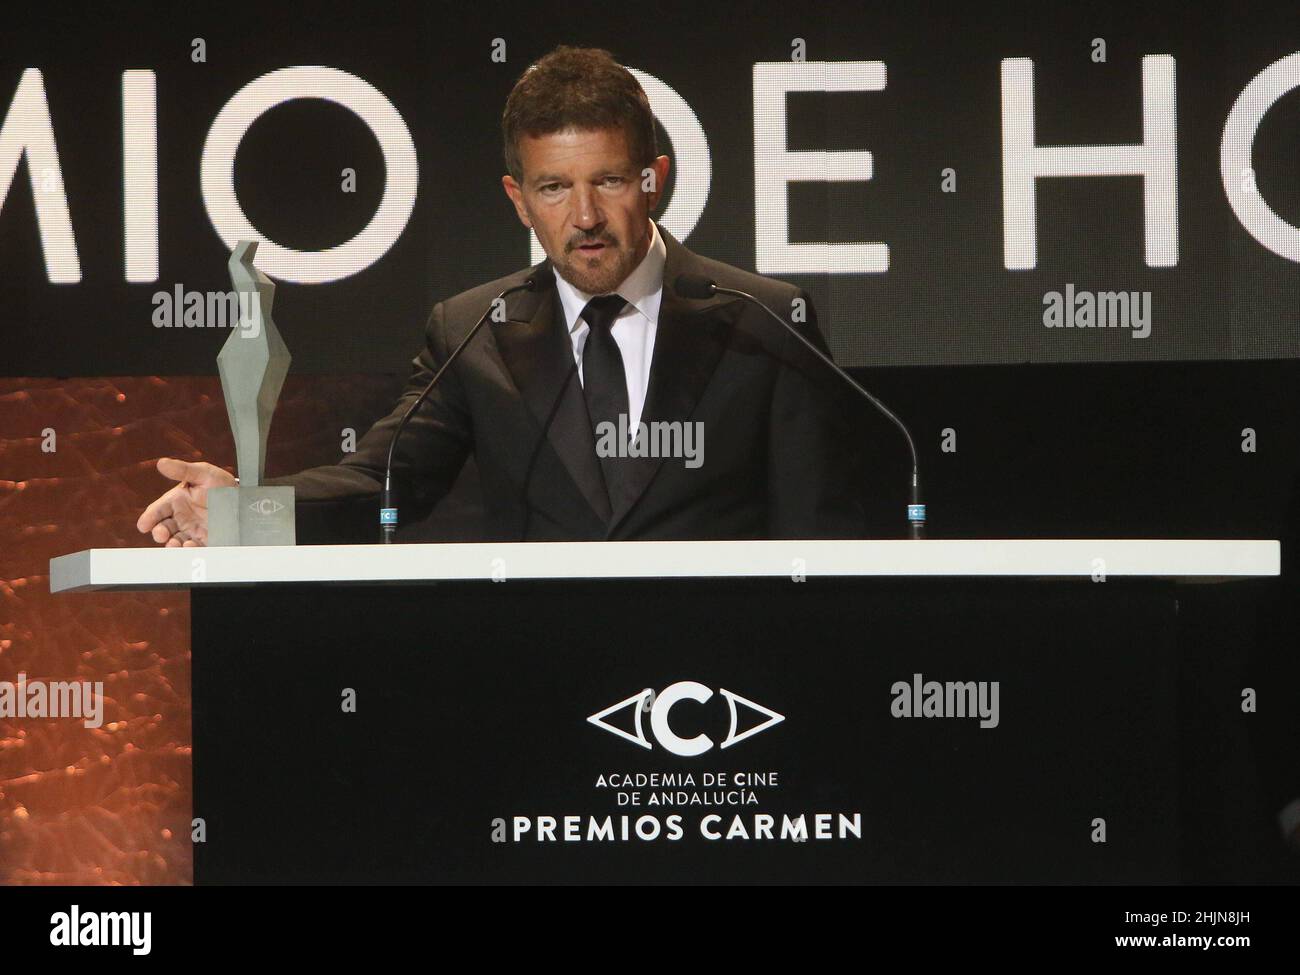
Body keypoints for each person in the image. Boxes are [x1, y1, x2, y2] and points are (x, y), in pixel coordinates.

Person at [137, 45, 867, 547]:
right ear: (519, 199)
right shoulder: (473, 328)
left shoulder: (766, 319)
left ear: (655, 179)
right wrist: (246, 511)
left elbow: (825, 538)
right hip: (540, 689)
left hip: (728, 707)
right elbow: (385, 480)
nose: (583, 217)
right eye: (554, 187)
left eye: (609, 181)